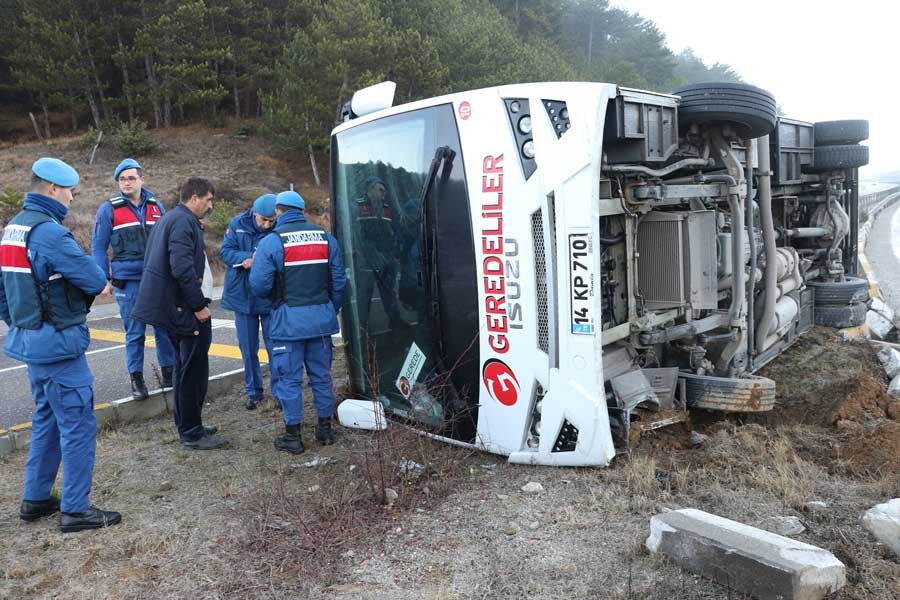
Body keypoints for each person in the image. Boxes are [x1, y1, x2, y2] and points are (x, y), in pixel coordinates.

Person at [0, 158, 121, 532]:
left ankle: (35, 499)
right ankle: (75, 509)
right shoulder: (50, 233)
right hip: (59, 347)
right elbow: (93, 276)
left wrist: (25, 325)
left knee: (47, 420)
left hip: (31, 342)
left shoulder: (12, 230)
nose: (72, 197)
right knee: (78, 425)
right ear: (52, 189)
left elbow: (3, 295)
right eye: (70, 191)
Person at [249, 190, 347, 454]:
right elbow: (339, 283)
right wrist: (328, 309)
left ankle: (293, 436)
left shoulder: (272, 242)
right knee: (321, 377)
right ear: (302, 211)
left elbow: (258, 285)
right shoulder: (327, 239)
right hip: (320, 324)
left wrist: (277, 302)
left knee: (289, 379)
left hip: (287, 325)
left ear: (279, 212)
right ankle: (325, 430)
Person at [133, 177, 227, 450]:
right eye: (209, 200)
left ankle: (189, 424)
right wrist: (198, 306)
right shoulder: (183, 221)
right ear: (194, 197)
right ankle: (192, 432)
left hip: (173, 308)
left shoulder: (171, 218)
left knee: (184, 369)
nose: (211, 206)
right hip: (183, 310)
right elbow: (182, 268)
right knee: (192, 371)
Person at [91, 158, 176, 400]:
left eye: (131, 178)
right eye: (122, 179)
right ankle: (136, 380)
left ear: (141, 179)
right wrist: (103, 278)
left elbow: (170, 240)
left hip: (157, 278)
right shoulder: (108, 209)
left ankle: (169, 373)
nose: (126, 182)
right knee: (135, 332)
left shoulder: (157, 207)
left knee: (164, 328)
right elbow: (98, 247)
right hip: (128, 281)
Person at [220, 193, 277, 410]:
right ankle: (254, 392)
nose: (267, 224)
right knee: (248, 347)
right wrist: (245, 259)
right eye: (264, 219)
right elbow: (225, 252)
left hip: (269, 296)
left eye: (271, 221)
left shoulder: (278, 227)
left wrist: (262, 261)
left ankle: (280, 391)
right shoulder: (237, 224)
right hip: (242, 295)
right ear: (254, 213)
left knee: (275, 346)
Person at [353, 176, 404, 330]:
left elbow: (397, 230)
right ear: (370, 190)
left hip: (386, 256)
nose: (384, 193)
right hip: (366, 258)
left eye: (385, 190)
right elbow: (353, 232)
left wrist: (395, 252)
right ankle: (362, 325)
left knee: (389, 291)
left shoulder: (388, 208)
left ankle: (395, 320)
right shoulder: (357, 206)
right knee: (364, 293)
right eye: (380, 190)